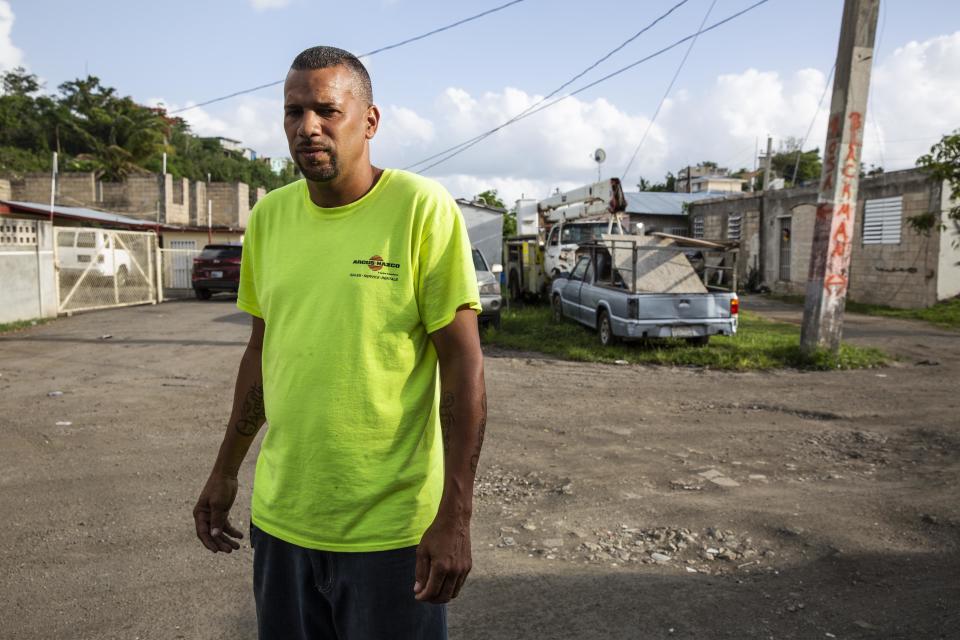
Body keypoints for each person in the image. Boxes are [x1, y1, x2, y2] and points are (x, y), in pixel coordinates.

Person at [192, 45, 487, 640]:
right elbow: (260, 355)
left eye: (327, 110)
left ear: (369, 120)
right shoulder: (271, 218)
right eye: (293, 112)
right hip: (283, 523)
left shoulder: (420, 210)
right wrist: (225, 470)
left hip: (392, 533)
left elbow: (463, 366)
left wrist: (455, 514)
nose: (308, 128)